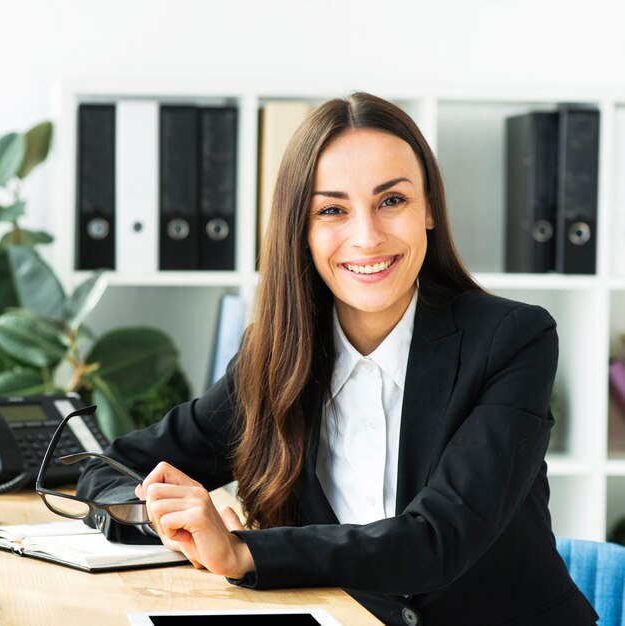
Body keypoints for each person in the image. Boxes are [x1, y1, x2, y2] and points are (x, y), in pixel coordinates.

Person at [77, 92, 598, 626]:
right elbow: (108, 469)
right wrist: (172, 518)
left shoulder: (513, 340)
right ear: (299, 231)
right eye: (332, 210)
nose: (367, 237)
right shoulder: (275, 360)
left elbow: (438, 540)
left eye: (392, 201)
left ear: (430, 209)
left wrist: (245, 550)